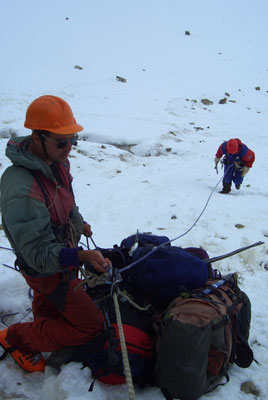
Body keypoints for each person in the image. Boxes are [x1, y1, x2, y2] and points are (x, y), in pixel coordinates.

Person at [0, 95, 111, 372]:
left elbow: (67, 201)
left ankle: (44, 323)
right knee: (91, 326)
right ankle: (14, 337)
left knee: (49, 304)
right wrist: (80, 254)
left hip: (61, 262)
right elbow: (37, 254)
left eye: (72, 140)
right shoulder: (21, 188)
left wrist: (78, 224)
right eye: (61, 142)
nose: (69, 148)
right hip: (47, 269)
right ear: (37, 137)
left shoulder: (57, 163)